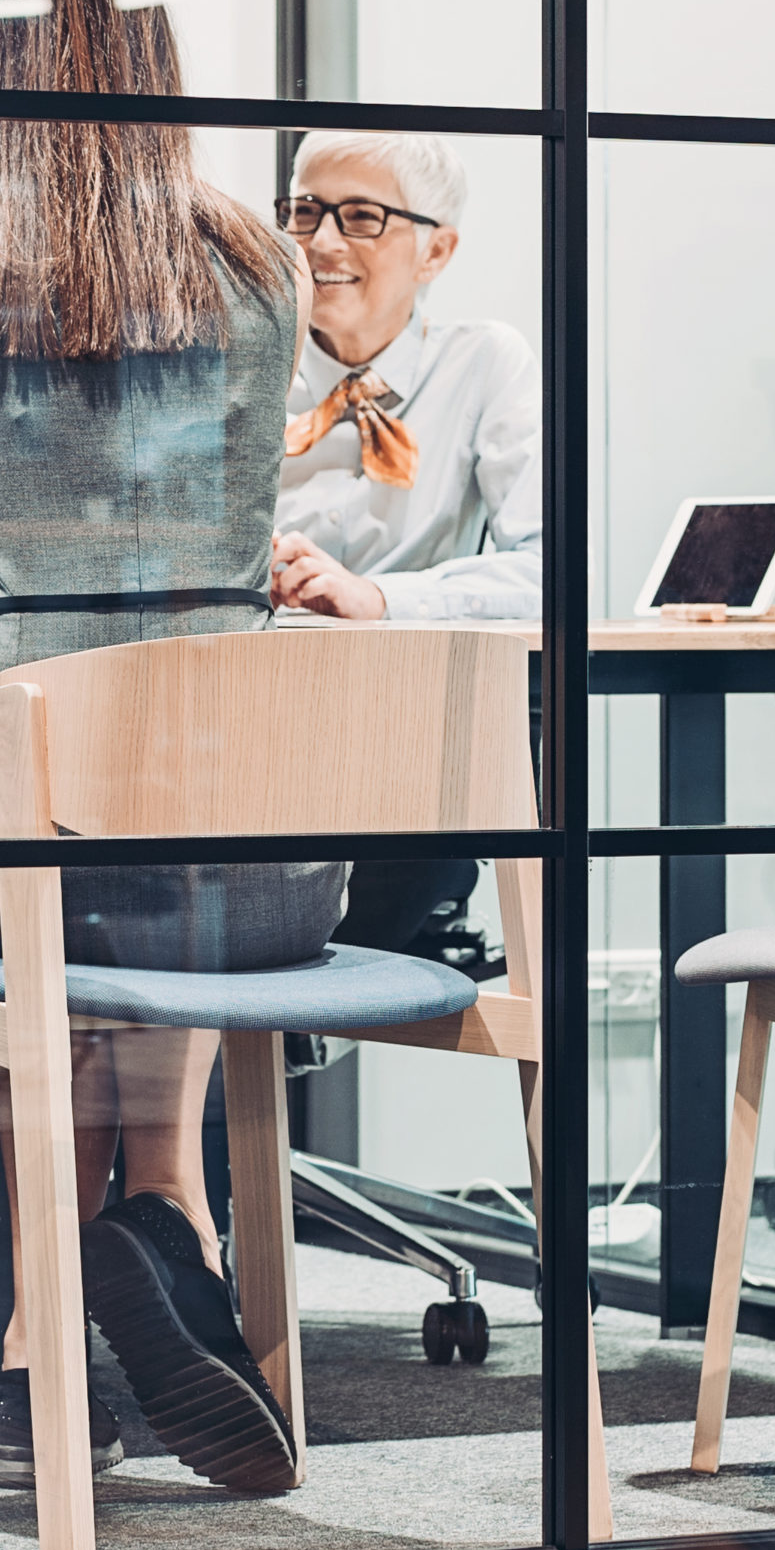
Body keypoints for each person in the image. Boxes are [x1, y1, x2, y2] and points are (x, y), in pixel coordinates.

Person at [0, 0, 326, 1499]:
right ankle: (171, 1220)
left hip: (17, 796)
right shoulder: (262, 257)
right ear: (159, 53)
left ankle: (39, 1334)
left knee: (44, 883)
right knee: (163, 825)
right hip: (260, 841)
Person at [263, 128, 543, 967]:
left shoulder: (485, 362)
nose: (321, 241)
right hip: (252, 727)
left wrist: (380, 600)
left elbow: (555, 572)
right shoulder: (242, 360)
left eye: (361, 217)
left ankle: (284, 1008)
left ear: (436, 251)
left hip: (406, 745)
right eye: (304, 212)